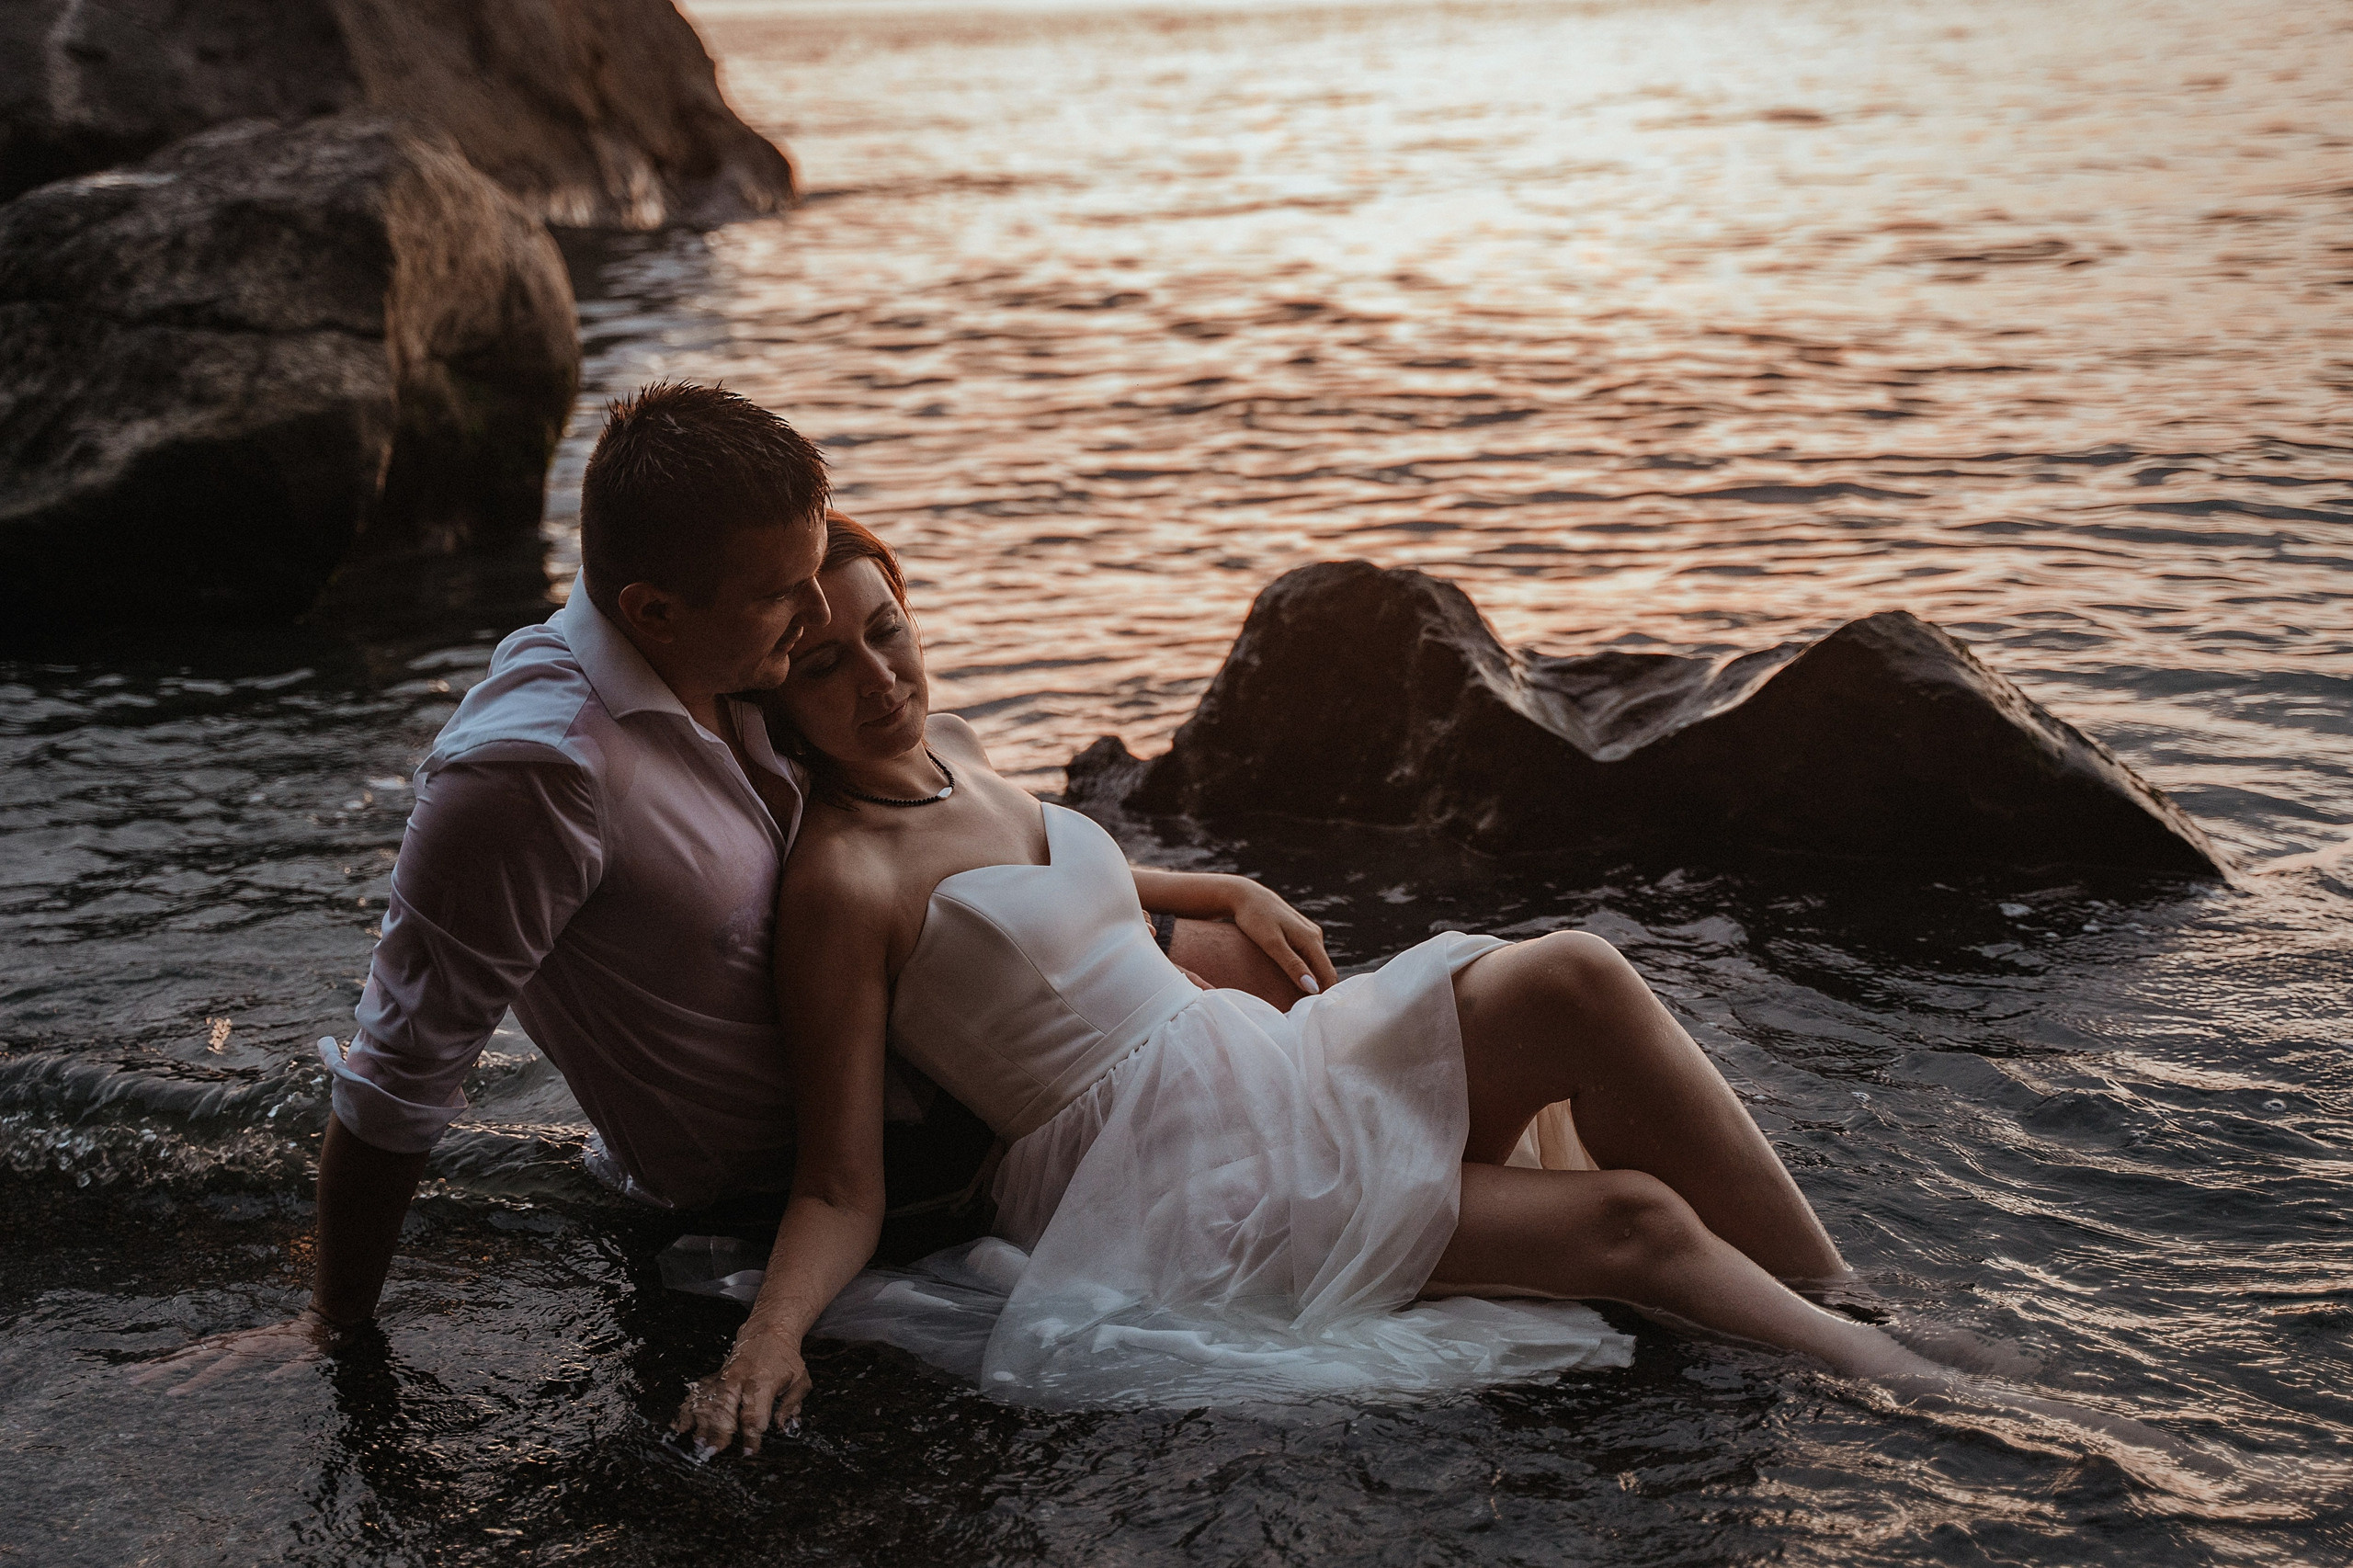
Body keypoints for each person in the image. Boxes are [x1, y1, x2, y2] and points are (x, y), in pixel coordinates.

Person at [669, 515, 1968, 1456]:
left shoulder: (952, 745)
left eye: (887, 632)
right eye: (826, 665)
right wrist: (764, 1344)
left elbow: (1041, 875)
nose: (879, 679)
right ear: (778, 686)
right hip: (1170, 1175)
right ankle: (1922, 1390)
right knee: (1632, 1219)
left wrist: (1214, 889)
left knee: (1577, 972)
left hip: (1247, 1056)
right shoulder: (839, 884)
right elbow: (838, 1179)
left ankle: (1839, 1293)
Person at [136, 384, 1326, 1392]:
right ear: (651, 610)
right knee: (1327, 1202)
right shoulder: (531, 776)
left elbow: (937, 836)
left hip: (956, 1065)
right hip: (836, 1188)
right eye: (785, 596)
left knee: (1288, 1017)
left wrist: (1197, 890)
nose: (816, 618)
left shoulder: (733, 659)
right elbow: (399, 1071)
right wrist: (332, 1329)